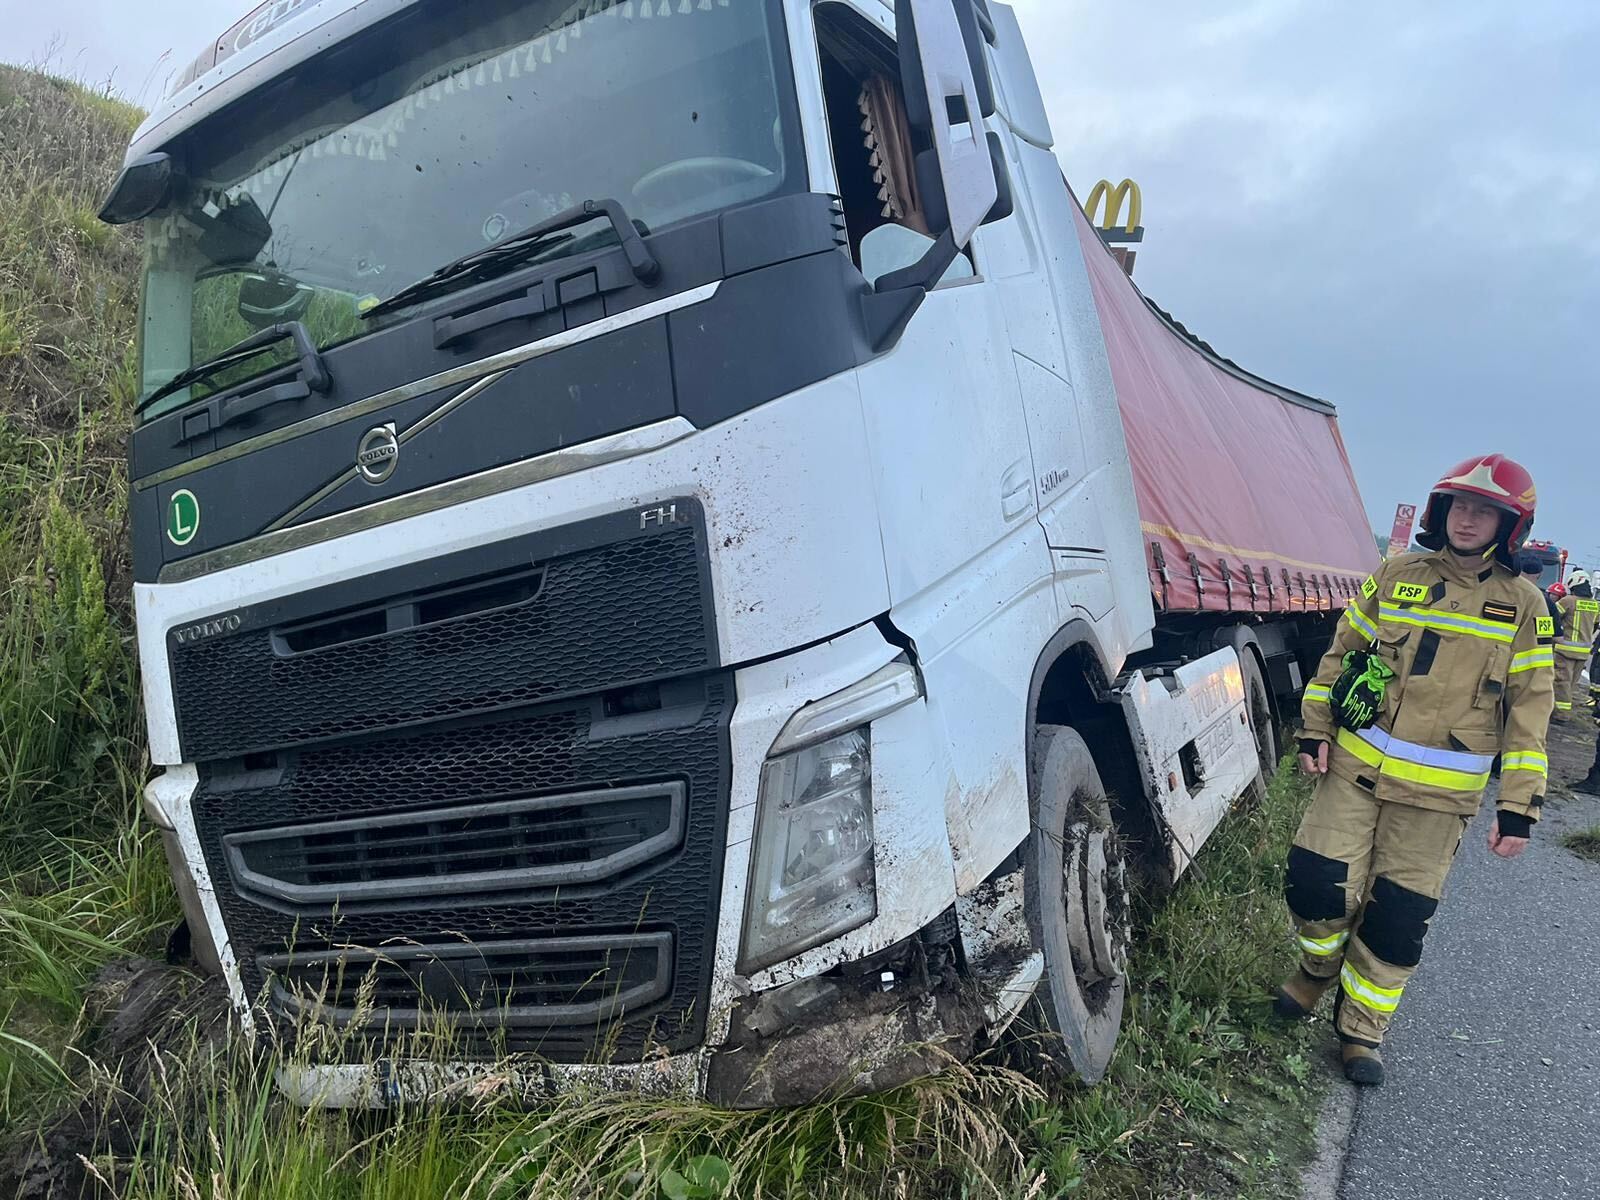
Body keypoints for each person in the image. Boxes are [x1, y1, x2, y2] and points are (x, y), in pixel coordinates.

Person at [1274, 454, 1553, 1087]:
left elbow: (1531, 714)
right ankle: (1315, 975)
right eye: (1459, 506)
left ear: (1510, 526)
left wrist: (1519, 806)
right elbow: (1340, 657)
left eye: (1484, 510)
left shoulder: (1526, 605)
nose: (1468, 519)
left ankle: (1361, 1029)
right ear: (1439, 511)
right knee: (1316, 886)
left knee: (1396, 922)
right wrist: (1315, 731)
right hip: (1354, 772)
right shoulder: (1395, 574)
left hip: (1438, 801)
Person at [1552, 569, 1597, 722]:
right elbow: (1596, 624)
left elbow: (1551, 615)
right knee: (1570, 684)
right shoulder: (1594, 604)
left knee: (1561, 683)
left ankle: (1560, 715)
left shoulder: (1568, 601)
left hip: (1565, 649)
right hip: (1583, 652)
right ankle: (1561, 710)